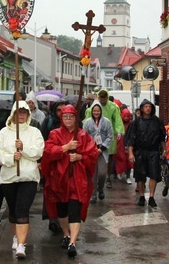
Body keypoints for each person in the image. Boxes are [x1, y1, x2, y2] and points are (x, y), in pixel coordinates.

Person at [42, 105, 98, 258]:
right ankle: (66, 234)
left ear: (76, 118)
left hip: (77, 180)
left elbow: (92, 154)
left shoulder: (83, 135)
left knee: (75, 211)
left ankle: (73, 242)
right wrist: (65, 148)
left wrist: (80, 157)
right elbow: (48, 152)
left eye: (71, 117)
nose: (68, 119)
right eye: (65, 117)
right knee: (62, 210)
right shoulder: (54, 134)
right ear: (61, 118)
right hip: (59, 179)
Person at [0, 101, 44, 259]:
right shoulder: (4, 133)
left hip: (28, 176)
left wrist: (24, 148)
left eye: (24, 113)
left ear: (28, 114)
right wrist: (11, 157)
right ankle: (16, 236)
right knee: (13, 211)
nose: (21, 115)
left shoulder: (34, 132)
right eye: (18, 112)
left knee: (22, 210)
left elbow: (38, 151)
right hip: (9, 177)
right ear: (13, 114)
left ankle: (21, 245)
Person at [126, 99, 165, 207]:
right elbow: (131, 139)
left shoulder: (157, 122)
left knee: (153, 174)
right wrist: (130, 153)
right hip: (140, 151)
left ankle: (152, 196)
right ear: (142, 108)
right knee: (140, 175)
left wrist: (164, 150)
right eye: (146, 106)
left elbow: (162, 138)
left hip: (153, 151)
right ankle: (142, 196)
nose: (148, 108)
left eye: (149, 106)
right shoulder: (136, 122)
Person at [85, 89, 124, 189]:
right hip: (94, 137)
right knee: (94, 158)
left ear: (107, 97)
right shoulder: (93, 107)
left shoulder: (113, 107)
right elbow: (87, 121)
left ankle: (108, 178)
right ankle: (96, 179)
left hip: (108, 136)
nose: (102, 101)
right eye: (101, 99)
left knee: (109, 158)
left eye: (104, 99)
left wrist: (119, 131)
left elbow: (117, 120)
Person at [40, 99, 68, 233]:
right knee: (50, 191)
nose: (61, 113)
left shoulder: (72, 124)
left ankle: (64, 218)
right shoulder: (48, 122)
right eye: (58, 110)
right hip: (51, 163)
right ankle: (52, 218)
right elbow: (42, 142)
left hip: (66, 165)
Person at [82, 101, 113, 203]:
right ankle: (93, 194)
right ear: (92, 111)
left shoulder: (107, 122)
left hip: (102, 151)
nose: (96, 112)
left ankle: (101, 188)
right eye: (94, 111)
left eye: (98, 110)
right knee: (92, 175)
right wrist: (90, 147)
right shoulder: (87, 123)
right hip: (91, 151)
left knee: (102, 173)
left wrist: (102, 147)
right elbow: (84, 136)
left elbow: (110, 136)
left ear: (101, 111)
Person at [115, 108, 133, 184]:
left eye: (127, 116)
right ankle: (120, 172)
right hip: (120, 144)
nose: (126, 118)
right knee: (120, 159)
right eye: (124, 116)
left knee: (129, 161)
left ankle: (128, 176)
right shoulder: (119, 124)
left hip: (128, 144)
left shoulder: (131, 124)